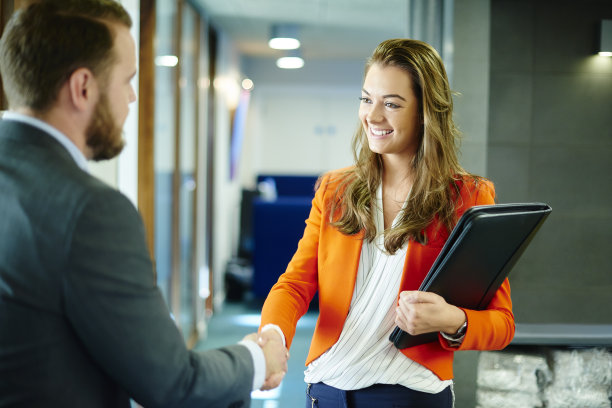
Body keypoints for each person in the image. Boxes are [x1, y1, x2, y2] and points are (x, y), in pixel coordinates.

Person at [0, 1, 287, 407]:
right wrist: (257, 358)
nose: (133, 97)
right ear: (82, 88)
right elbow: (175, 385)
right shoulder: (90, 211)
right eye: (127, 80)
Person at [257, 39, 515, 408]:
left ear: (426, 112)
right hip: (326, 391)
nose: (373, 116)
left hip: (409, 396)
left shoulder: (467, 197)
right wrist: (272, 334)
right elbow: (295, 284)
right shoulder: (335, 189)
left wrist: (450, 318)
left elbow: (502, 325)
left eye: (391, 104)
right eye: (366, 99)